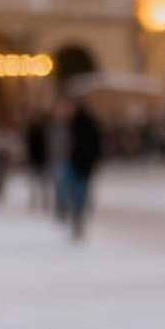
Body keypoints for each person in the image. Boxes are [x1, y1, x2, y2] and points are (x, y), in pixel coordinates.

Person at [53, 98, 103, 241]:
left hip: (78, 164)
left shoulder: (76, 125)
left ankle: (76, 216)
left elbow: (91, 146)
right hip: (80, 165)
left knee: (77, 192)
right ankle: (76, 216)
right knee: (77, 192)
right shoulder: (75, 124)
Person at [22, 109, 53, 211]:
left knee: (41, 182)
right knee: (37, 182)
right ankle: (38, 201)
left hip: (41, 159)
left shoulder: (43, 130)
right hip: (37, 159)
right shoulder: (35, 130)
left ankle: (41, 201)